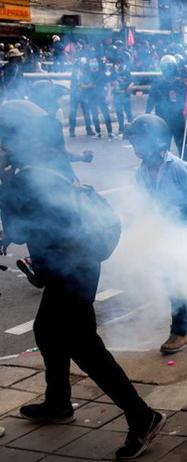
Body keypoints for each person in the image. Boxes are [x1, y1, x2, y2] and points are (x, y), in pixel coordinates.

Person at [0, 100, 166, 460]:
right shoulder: (48, 161)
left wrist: (4, 184)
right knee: (47, 330)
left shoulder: (24, 178)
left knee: (84, 347)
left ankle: (143, 416)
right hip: (78, 263)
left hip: (70, 270)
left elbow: (13, 227)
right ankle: (58, 402)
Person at [125, 114, 187, 354]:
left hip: (182, 227)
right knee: (173, 281)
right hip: (161, 228)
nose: (135, 146)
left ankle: (179, 333)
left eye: (139, 141)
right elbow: (144, 202)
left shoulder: (180, 168)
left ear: (156, 142)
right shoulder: (141, 171)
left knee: (175, 281)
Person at [145, 55, 187, 161]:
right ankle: (165, 168)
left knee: (182, 146)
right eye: (166, 67)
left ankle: (186, 167)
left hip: (178, 120)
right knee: (163, 147)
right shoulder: (157, 84)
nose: (168, 69)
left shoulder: (181, 84)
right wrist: (146, 114)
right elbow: (151, 100)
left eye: (170, 67)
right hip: (162, 120)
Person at [67, 57, 94, 138]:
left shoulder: (86, 72)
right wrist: (88, 86)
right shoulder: (75, 72)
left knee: (86, 112)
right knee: (73, 112)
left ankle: (88, 129)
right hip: (75, 93)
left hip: (83, 94)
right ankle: (72, 130)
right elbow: (79, 84)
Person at [111, 57, 134, 136]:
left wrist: (129, 87)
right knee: (119, 113)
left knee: (128, 112)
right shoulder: (113, 74)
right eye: (118, 63)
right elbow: (110, 83)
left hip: (126, 95)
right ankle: (121, 129)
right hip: (117, 95)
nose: (119, 64)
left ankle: (131, 128)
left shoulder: (127, 73)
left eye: (120, 63)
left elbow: (132, 82)